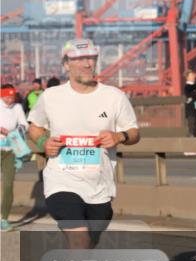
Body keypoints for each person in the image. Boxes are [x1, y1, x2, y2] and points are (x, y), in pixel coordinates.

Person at [25, 39, 140, 249]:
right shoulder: (51, 96)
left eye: (91, 58)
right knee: (80, 239)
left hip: (99, 186)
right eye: (79, 59)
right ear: (66, 64)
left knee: (87, 245)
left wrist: (119, 136)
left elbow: (134, 133)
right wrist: (43, 142)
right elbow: (34, 127)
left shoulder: (114, 96)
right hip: (61, 181)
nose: (87, 64)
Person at [1, 84, 29, 231]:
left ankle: (4, 219)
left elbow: (24, 124)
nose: (10, 99)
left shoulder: (17, 107)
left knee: (8, 185)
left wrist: (16, 131)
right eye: (7, 97)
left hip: (10, 151)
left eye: (12, 97)